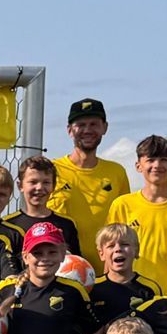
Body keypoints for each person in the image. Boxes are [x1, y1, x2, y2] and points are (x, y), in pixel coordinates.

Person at [108, 136, 167, 290]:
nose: (157, 165)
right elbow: (110, 253)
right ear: (138, 165)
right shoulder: (122, 205)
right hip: (130, 292)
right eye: (151, 160)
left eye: (163, 160)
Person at [49, 98, 129, 254]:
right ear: (69, 130)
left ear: (105, 128)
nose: (87, 130)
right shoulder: (52, 170)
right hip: (63, 264)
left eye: (93, 124)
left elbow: (124, 225)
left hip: (107, 264)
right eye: (81, 125)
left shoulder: (116, 172)